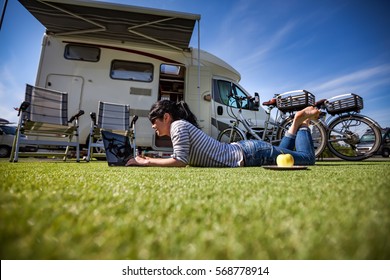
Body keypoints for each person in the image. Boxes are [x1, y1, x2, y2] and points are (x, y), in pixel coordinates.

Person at [126, 100, 320, 167]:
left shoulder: (177, 126)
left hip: (250, 154)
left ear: (166, 117)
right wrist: (152, 158)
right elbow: (179, 156)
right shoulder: (180, 127)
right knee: (282, 156)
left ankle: (300, 123)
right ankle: (296, 124)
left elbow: (180, 161)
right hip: (248, 150)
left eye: (154, 122)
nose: (153, 126)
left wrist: (148, 161)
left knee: (306, 159)